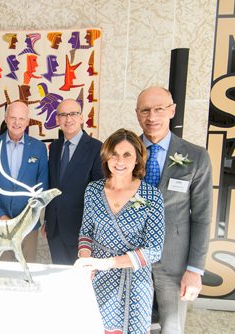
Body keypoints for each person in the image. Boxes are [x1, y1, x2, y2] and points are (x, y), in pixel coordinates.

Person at [135, 86, 213, 333]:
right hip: (130, 260)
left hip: (174, 264)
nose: (152, 117)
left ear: (172, 110)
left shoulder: (196, 156)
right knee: (130, 325)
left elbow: (202, 218)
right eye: (145, 110)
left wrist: (194, 270)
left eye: (159, 109)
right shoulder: (122, 152)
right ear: (137, 113)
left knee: (171, 327)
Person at [75, 128, 165, 333]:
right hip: (97, 278)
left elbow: (154, 250)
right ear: (106, 157)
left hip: (134, 282)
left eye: (127, 155)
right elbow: (86, 232)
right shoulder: (93, 190)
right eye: (114, 154)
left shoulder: (152, 196)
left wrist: (109, 263)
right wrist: (86, 260)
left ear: (137, 160)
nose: (119, 161)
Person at [0, 101, 48, 263]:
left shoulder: (39, 148)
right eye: (12, 118)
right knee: (2, 272)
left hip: (28, 226)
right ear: (5, 119)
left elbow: (42, 186)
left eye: (21, 118)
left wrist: (27, 218)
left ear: (27, 121)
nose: (17, 123)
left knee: (27, 271)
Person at [43, 99, 103, 265]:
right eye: (63, 115)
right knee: (59, 275)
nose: (68, 119)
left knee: (80, 280)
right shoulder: (54, 147)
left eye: (73, 114)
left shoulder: (96, 148)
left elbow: (100, 191)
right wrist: (48, 219)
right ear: (57, 120)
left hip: (81, 231)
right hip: (54, 228)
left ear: (82, 118)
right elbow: (53, 185)